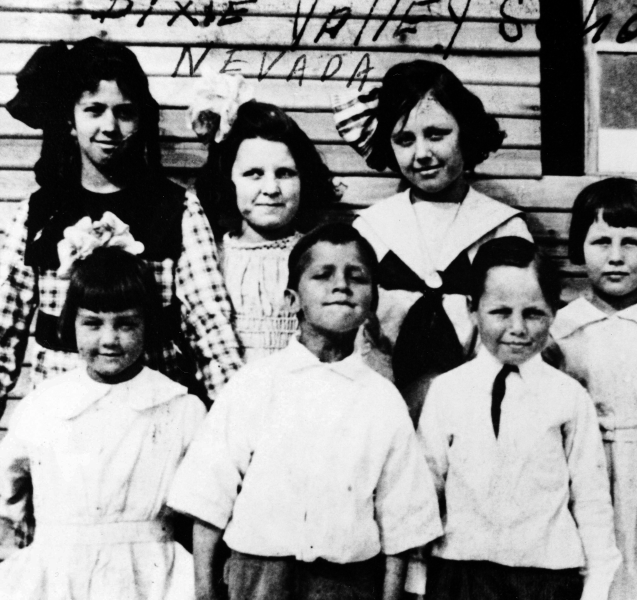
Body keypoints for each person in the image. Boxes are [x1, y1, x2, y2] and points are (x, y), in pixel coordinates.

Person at [168, 223, 443, 600]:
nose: (341, 285)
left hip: (346, 583)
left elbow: (402, 519)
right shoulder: (255, 384)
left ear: (373, 300)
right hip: (258, 576)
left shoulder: (382, 400)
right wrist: (204, 591)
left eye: (357, 276)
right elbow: (208, 497)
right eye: (323, 275)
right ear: (292, 300)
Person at [0, 37, 242, 409]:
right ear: (70, 118)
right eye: (94, 110)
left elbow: (210, 324)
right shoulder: (39, 213)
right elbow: (4, 327)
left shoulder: (175, 207)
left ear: (141, 118)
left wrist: (235, 417)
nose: (110, 126)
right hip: (63, 416)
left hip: (153, 410)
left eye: (125, 112)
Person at [415, 236, 620, 600]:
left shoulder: (568, 396)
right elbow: (427, 488)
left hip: (545, 581)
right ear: (471, 309)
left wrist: (598, 585)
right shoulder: (448, 391)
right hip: (461, 576)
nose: (518, 328)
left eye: (533, 313)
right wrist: (416, 579)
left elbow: (591, 498)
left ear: (554, 312)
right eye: (500, 312)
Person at [0, 242, 205, 599]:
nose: (109, 340)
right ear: (71, 323)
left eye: (126, 324)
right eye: (93, 324)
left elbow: (203, 505)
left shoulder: (180, 408)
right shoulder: (43, 406)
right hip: (57, 575)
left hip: (152, 576)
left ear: (147, 324)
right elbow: (7, 494)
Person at [333, 60, 533, 395]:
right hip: (383, 401)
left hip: (480, 403)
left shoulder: (504, 228)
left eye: (436, 135)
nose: (422, 153)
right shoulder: (372, 229)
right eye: (405, 140)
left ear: (465, 132)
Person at [550, 178, 637, 600]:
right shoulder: (560, 329)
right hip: (585, 478)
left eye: (630, 241)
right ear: (579, 248)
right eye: (600, 242)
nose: (615, 257)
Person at [193, 98, 339, 361]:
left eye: (284, 173)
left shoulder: (319, 256)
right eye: (254, 174)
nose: (271, 189)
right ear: (227, 180)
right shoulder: (212, 259)